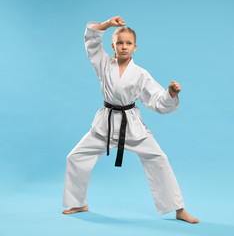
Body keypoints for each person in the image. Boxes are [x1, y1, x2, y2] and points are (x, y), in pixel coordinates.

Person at [61, 16, 199, 224]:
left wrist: (170, 93)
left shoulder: (141, 74)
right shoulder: (103, 64)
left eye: (128, 43)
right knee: (75, 156)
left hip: (131, 126)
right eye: (119, 43)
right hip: (105, 124)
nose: (124, 47)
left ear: (135, 47)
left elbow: (156, 100)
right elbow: (91, 40)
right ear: (113, 45)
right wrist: (107, 24)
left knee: (159, 159)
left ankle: (178, 209)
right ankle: (78, 202)